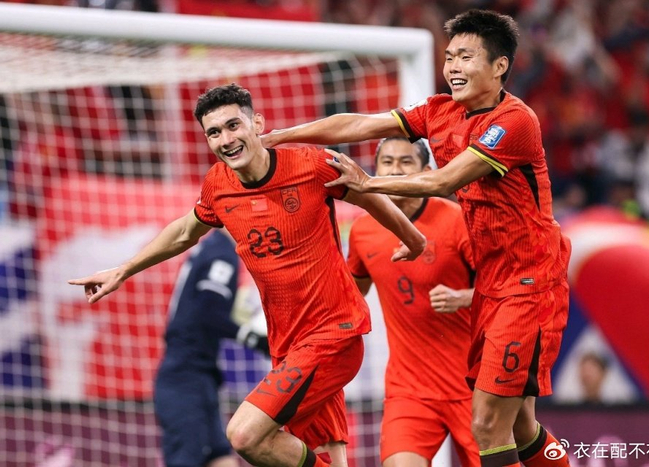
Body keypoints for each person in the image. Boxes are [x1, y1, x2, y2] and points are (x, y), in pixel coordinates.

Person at [263, 9, 572, 467]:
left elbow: (444, 181)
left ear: (499, 65)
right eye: (449, 57)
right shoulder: (440, 111)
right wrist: (281, 137)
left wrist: (368, 183)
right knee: (521, 425)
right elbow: (360, 125)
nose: (453, 67)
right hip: (492, 288)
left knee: (488, 423)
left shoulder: (514, 121)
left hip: (529, 283)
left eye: (466, 57)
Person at [69, 83, 426, 467]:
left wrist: (413, 239)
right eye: (214, 132)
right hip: (287, 347)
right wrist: (124, 270)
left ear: (257, 123)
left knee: (245, 434)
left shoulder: (311, 165)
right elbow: (185, 231)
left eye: (233, 125)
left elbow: (368, 196)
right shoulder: (218, 185)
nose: (226, 139)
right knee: (324, 452)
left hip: (333, 335)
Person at [346, 137, 480, 467]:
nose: (395, 170)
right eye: (387, 162)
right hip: (409, 390)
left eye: (406, 162)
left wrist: (463, 297)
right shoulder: (363, 231)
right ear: (375, 171)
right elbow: (351, 296)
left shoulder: (456, 219)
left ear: (427, 171)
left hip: (474, 385)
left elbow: (504, 289)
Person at [154, 228, 269, 467]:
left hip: (199, 373)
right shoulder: (221, 253)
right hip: (185, 377)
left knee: (220, 458)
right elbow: (209, 311)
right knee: (187, 460)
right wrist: (255, 339)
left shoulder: (212, 247)